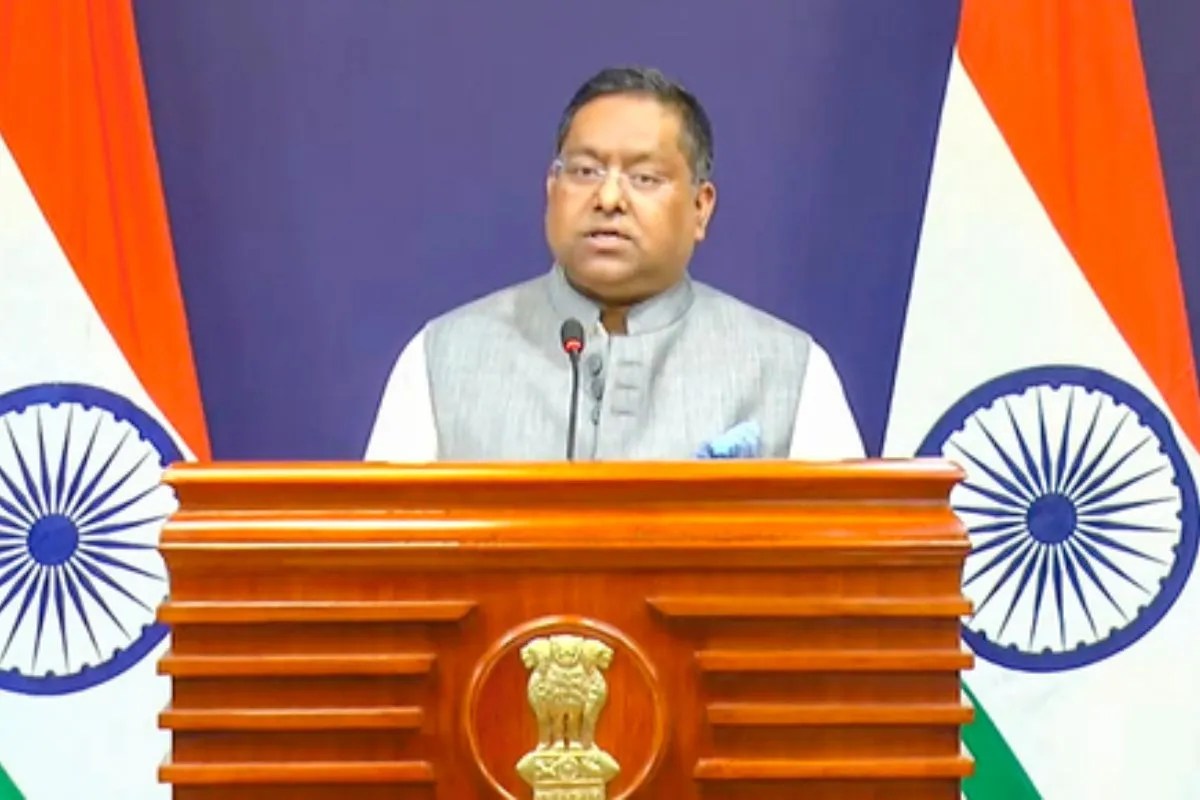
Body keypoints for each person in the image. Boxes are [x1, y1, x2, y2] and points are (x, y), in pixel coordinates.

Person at [365, 65, 863, 462]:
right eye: (585, 171)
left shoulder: (787, 368)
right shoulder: (445, 356)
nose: (607, 198)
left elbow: (847, 553)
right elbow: (382, 551)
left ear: (700, 207)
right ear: (551, 190)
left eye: (644, 178)